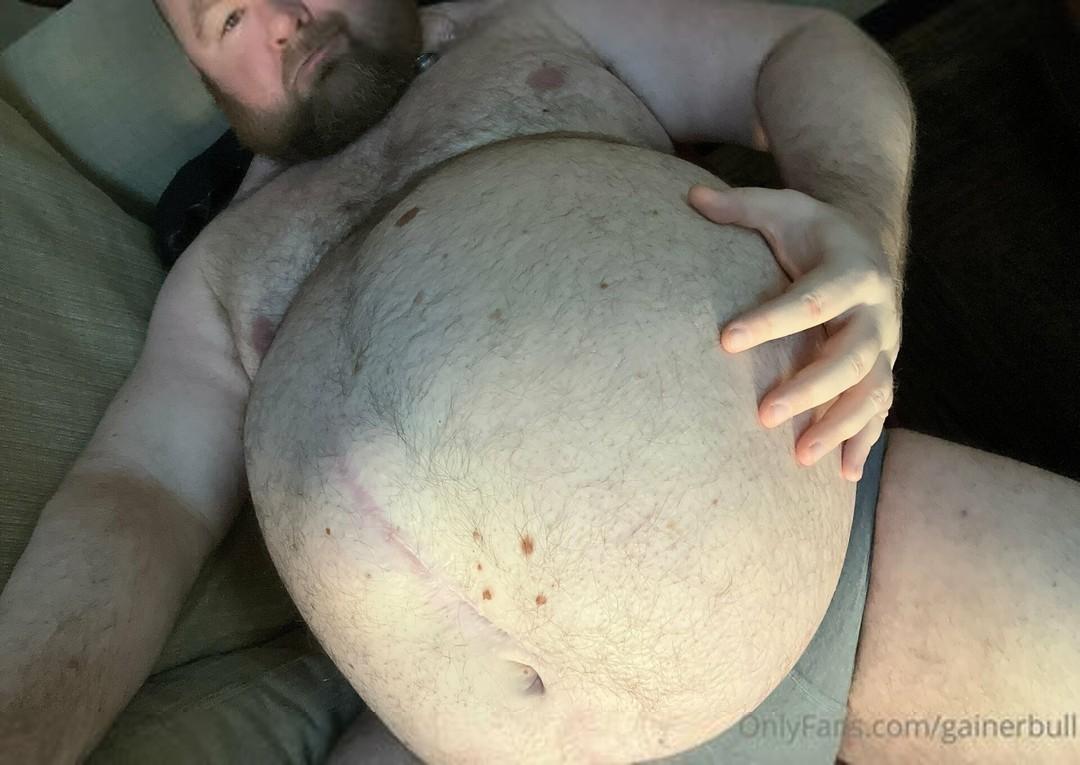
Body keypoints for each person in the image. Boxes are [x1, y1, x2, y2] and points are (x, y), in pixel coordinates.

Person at [1, 1, 1077, 763]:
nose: (284, 18)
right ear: (204, 80)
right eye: (227, 19)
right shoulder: (220, 269)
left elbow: (799, 46)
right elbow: (138, 495)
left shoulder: (534, 25)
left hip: (849, 552)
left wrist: (861, 223)